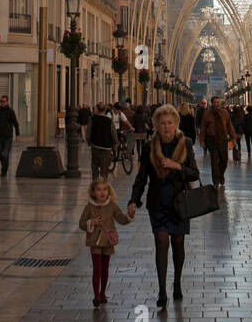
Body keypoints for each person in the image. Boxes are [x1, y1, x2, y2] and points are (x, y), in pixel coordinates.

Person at [128, 103, 200, 310]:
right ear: (156, 126)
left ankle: (177, 281)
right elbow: (141, 177)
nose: (166, 127)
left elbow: (194, 174)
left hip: (180, 202)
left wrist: (177, 166)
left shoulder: (185, 143)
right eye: (162, 124)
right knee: (161, 242)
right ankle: (162, 290)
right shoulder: (151, 146)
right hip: (158, 202)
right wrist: (134, 199)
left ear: (176, 123)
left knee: (178, 243)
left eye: (170, 123)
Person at [78, 177, 132, 306]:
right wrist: (91, 222)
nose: (102, 193)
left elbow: (121, 219)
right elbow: (81, 223)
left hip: (108, 241)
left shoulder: (112, 205)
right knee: (97, 268)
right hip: (95, 241)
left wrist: (130, 215)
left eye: (105, 189)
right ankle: (96, 295)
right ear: (93, 192)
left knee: (105, 269)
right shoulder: (89, 207)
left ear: (109, 191)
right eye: (98, 190)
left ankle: (103, 293)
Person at [199, 97, 236, 188]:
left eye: (218, 102)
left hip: (223, 139)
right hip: (212, 140)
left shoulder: (224, 113)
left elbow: (229, 126)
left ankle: (221, 174)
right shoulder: (207, 114)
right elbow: (203, 128)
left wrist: (233, 138)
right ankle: (215, 181)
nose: (217, 104)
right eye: (215, 102)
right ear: (212, 103)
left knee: (224, 160)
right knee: (214, 161)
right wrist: (202, 141)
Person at [0, 94, 20, 176]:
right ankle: (4, 165)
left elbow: (15, 123)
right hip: (0, 136)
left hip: (8, 137)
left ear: (7, 102)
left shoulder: (11, 112)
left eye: (3, 101)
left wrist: (17, 134)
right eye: (1, 101)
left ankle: (4, 170)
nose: (2, 103)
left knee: (5, 154)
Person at [88, 102, 116, 178]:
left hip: (95, 145)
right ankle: (104, 182)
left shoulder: (92, 119)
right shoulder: (109, 120)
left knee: (94, 164)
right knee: (104, 167)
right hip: (106, 147)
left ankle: (95, 182)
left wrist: (89, 141)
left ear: (96, 109)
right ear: (105, 110)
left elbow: (89, 131)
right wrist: (115, 143)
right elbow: (113, 133)